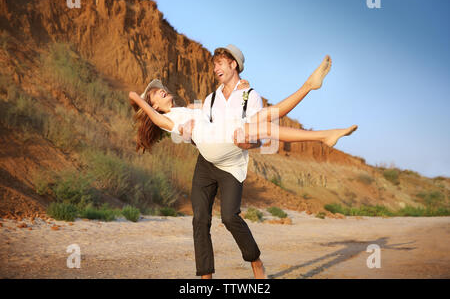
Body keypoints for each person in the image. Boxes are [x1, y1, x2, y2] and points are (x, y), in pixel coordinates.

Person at [129, 47, 357, 279]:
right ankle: (205, 279)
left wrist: (248, 143)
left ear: (233, 66)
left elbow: (255, 141)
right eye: (214, 65)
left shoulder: (248, 96)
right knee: (200, 219)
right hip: (209, 157)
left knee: (230, 215)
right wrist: (138, 99)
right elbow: (173, 125)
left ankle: (255, 261)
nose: (215, 69)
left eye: (220, 64)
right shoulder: (206, 100)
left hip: (231, 156)